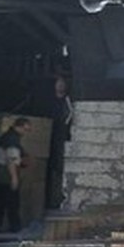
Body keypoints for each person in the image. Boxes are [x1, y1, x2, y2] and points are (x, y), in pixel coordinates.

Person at [0, 117, 32, 233]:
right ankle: (15, 229)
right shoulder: (12, 140)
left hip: (0, 176)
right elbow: (11, 160)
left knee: (0, 204)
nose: (26, 133)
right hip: (6, 177)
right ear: (19, 126)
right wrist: (14, 178)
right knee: (12, 204)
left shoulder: (7, 137)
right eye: (25, 129)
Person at [46, 74, 74, 210]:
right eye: (58, 83)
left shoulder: (67, 100)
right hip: (49, 135)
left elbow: (70, 114)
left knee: (59, 166)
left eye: (62, 83)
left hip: (61, 136)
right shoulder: (49, 100)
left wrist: (64, 127)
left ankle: (57, 200)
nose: (60, 86)